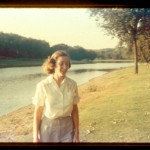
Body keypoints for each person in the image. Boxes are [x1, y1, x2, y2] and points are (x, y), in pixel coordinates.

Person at [32, 50, 80, 143]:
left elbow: (75, 110)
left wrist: (77, 133)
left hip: (68, 127)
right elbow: (38, 113)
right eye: (61, 64)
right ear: (53, 65)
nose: (65, 67)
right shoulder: (43, 85)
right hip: (48, 128)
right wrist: (35, 137)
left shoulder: (73, 84)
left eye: (67, 64)